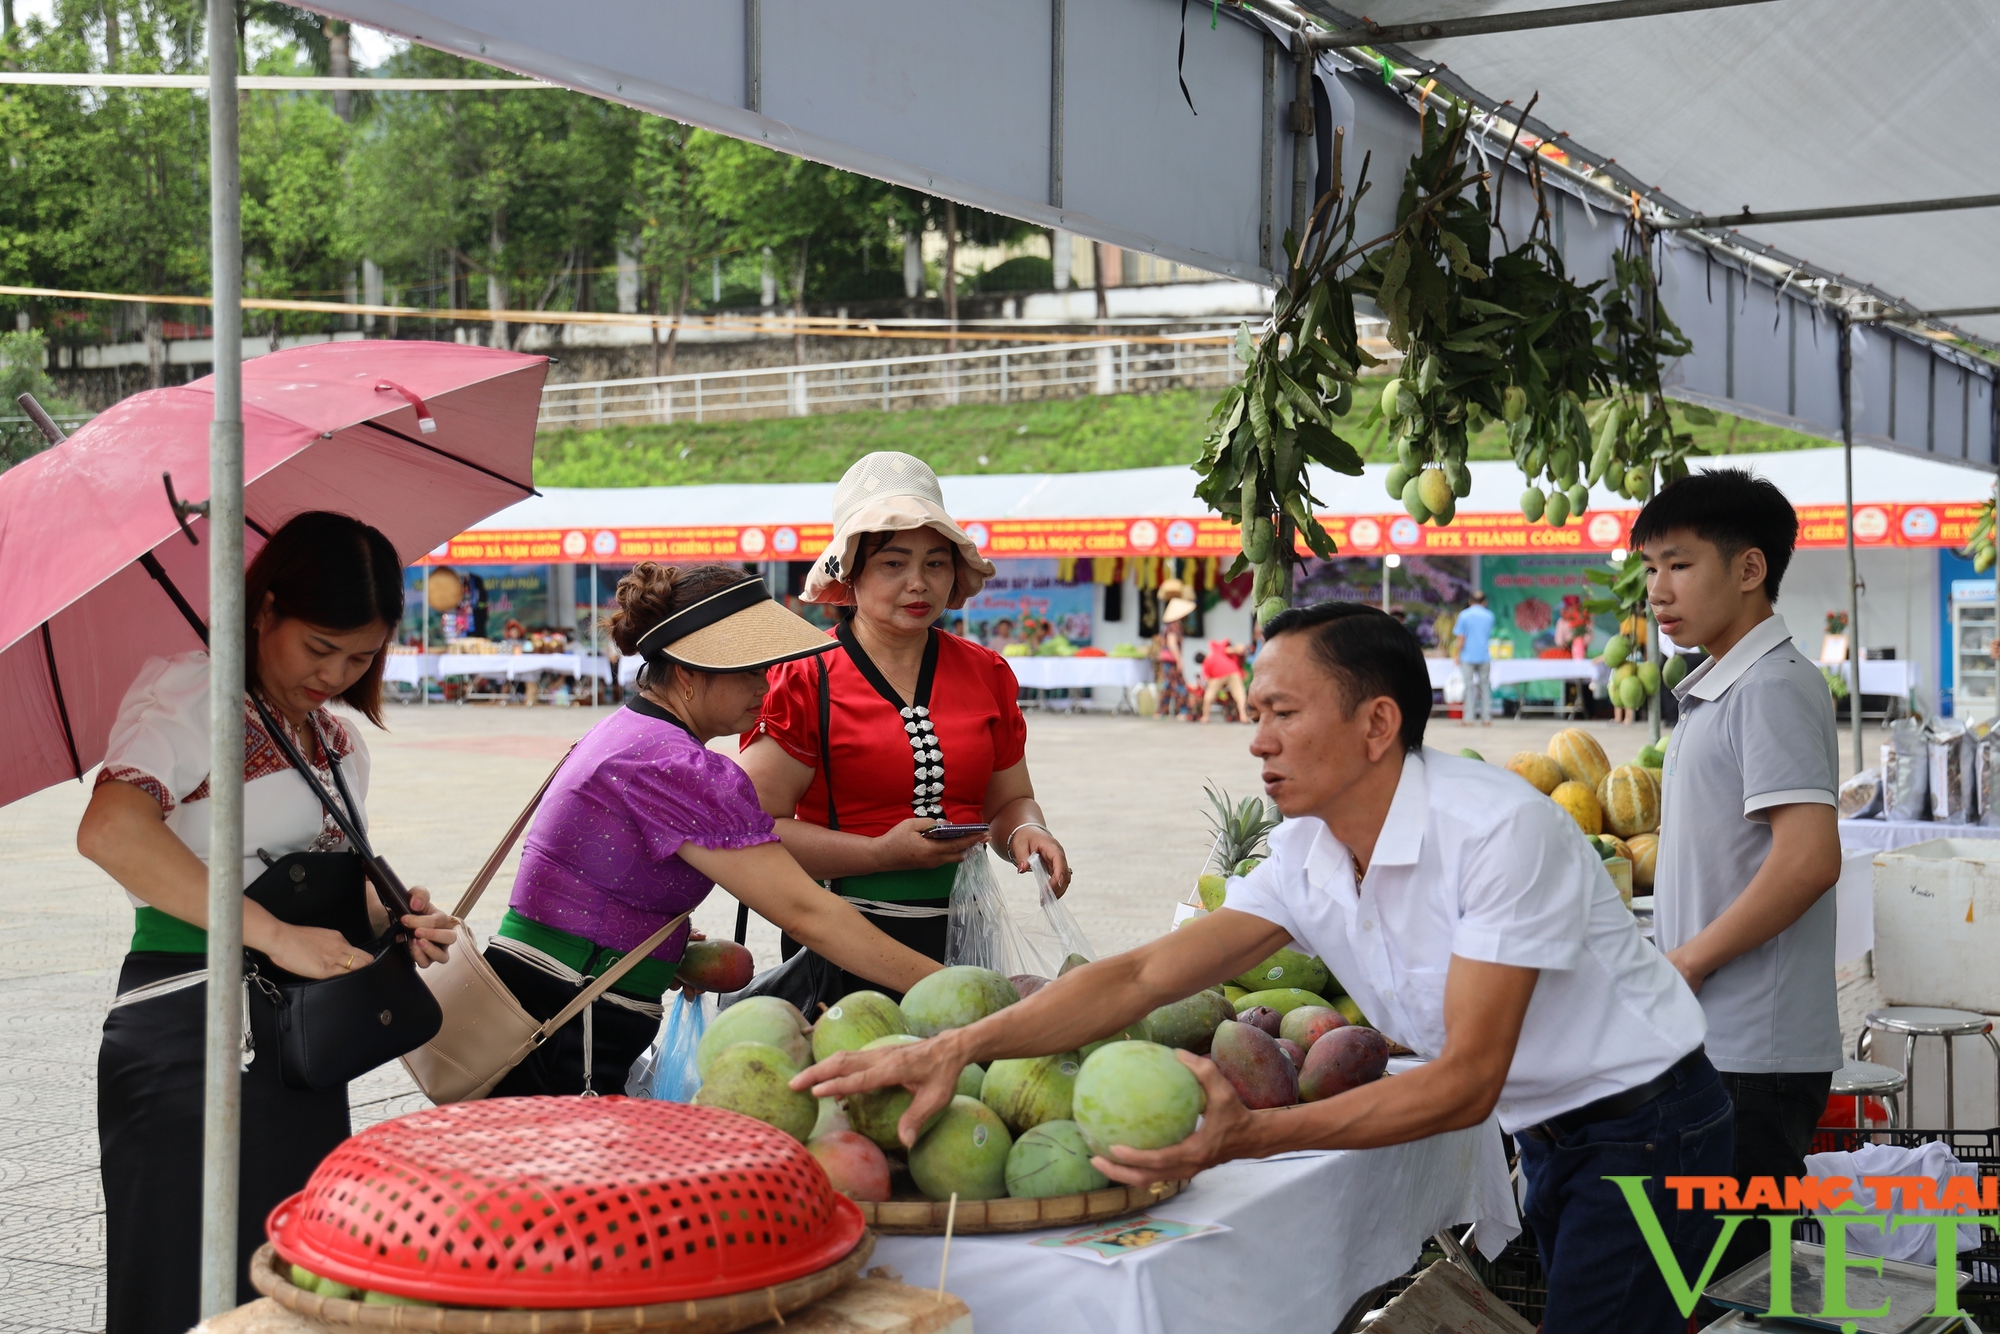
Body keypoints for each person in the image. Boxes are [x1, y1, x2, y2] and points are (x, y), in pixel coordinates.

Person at [801, 602, 1722, 1334]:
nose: (1256, 741)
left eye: (1282, 713)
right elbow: (1139, 979)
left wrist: (1248, 1136)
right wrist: (956, 1048)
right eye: (1253, 716)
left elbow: (1464, 1086)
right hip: (1557, 1133)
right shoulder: (1308, 851)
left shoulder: (1497, 832)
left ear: (1377, 724)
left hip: (1647, 1130)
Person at [76, 511, 459, 1334]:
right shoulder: (193, 692)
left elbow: (325, 883)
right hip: (191, 1026)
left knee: (285, 1287)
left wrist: (394, 918)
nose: (336, 673)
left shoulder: (336, 744)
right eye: (319, 647)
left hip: (299, 1048)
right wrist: (275, 935)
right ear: (266, 608)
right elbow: (110, 829)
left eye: (360, 656)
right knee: (186, 1286)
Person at [488, 562, 947, 1096]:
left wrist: (664, 944)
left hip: (541, 995)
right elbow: (808, 913)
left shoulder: (630, 730)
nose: (766, 685)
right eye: (750, 671)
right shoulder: (676, 766)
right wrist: (948, 987)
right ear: (688, 672)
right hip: (571, 1012)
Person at [738, 452, 1072, 1001]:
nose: (919, 584)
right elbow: (757, 828)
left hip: (967, 933)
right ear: (851, 573)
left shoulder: (986, 672)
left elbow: (1009, 801)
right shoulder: (804, 679)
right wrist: (878, 855)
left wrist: (1027, 832)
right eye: (894, 564)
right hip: (841, 938)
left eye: (935, 564)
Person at [1636, 469, 1843, 1282]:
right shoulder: (1722, 688)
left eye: (1679, 565)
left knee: (1743, 1284)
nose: (1659, 590)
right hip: (1719, 1042)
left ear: (1750, 569)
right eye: (1650, 568)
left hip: (1752, 1054)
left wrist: (1687, 962)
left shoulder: (1772, 686)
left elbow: (1808, 859)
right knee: (1721, 1278)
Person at [1152, 582, 1195, 721]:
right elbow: (1172, 643)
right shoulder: (1174, 625)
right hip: (1171, 659)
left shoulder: (1166, 625)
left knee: (1168, 685)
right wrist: (1179, 660)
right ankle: (1183, 710)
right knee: (1179, 685)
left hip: (1166, 659)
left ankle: (1161, 712)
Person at [1452, 590, 1495, 726]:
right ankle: (1486, 718)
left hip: (1467, 656)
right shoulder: (1489, 616)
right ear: (1484, 602)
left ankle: (1468, 719)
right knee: (1485, 687)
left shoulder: (1464, 615)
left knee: (1468, 687)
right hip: (1484, 655)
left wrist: (1456, 654)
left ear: (1470, 602)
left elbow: (1461, 638)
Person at [1199, 635, 1250, 723]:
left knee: (1208, 697)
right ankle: (1243, 716)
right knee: (1240, 695)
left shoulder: (1205, 664)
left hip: (1219, 676)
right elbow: (1232, 650)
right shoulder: (1216, 652)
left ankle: (1205, 717)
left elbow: (1207, 680)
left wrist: (1215, 687)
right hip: (1233, 672)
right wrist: (1239, 649)